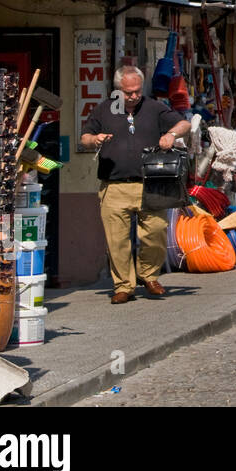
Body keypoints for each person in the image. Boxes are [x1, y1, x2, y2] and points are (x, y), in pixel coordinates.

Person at [80, 65, 190, 304]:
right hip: (114, 184)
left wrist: (171, 134)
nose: (132, 96)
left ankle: (149, 275)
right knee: (116, 240)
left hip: (150, 184)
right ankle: (123, 286)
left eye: (136, 91)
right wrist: (95, 139)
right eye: (127, 92)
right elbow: (85, 137)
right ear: (117, 89)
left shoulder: (154, 108)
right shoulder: (104, 110)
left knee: (156, 231)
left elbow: (185, 124)